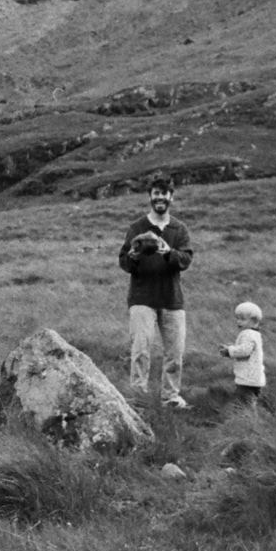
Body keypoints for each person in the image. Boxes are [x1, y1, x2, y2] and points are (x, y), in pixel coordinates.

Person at [118, 173, 194, 408]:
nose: (160, 198)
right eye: (156, 193)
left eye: (164, 193)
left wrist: (168, 251)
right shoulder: (137, 227)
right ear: (150, 197)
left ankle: (170, 397)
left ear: (171, 197)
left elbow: (186, 258)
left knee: (175, 353)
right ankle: (138, 399)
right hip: (142, 298)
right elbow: (123, 260)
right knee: (140, 351)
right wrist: (133, 257)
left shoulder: (178, 228)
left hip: (172, 299)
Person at [218, 301, 266, 406]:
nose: (238, 322)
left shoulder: (248, 334)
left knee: (243, 403)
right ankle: (248, 419)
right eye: (237, 318)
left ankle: (246, 420)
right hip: (254, 379)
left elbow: (244, 351)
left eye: (243, 319)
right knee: (249, 402)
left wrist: (229, 351)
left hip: (248, 379)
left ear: (254, 321)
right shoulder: (255, 334)